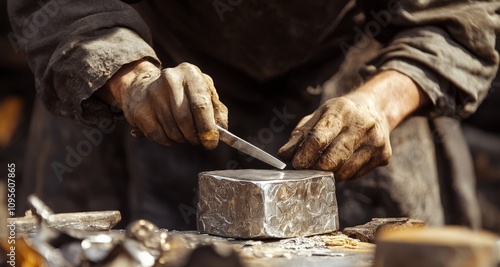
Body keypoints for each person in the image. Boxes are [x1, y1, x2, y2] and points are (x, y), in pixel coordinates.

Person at [7, 0, 500, 229]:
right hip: (135, 73)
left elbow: (461, 11)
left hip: (361, 82)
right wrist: (129, 77)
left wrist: (385, 99)